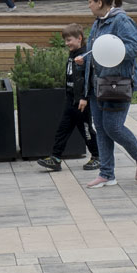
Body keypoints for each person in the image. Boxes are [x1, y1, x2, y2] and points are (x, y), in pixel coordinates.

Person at [80, 0, 137, 188]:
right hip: (96, 84)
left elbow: (134, 49)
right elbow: (96, 51)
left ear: (99, 2)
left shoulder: (121, 21)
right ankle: (106, 174)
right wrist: (85, 59)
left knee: (113, 126)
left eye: (90, 2)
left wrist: (111, 51)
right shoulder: (98, 22)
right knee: (101, 129)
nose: (88, 5)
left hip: (116, 83)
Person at [38, 23, 100, 172]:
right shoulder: (73, 54)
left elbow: (88, 78)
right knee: (63, 129)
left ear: (79, 38)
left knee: (86, 130)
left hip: (81, 102)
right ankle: (56, 158)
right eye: (65, 40)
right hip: (71, 99)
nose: (67, 43)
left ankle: (98, 156)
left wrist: (84, 97)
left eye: (69, 40)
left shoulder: (85, 55)